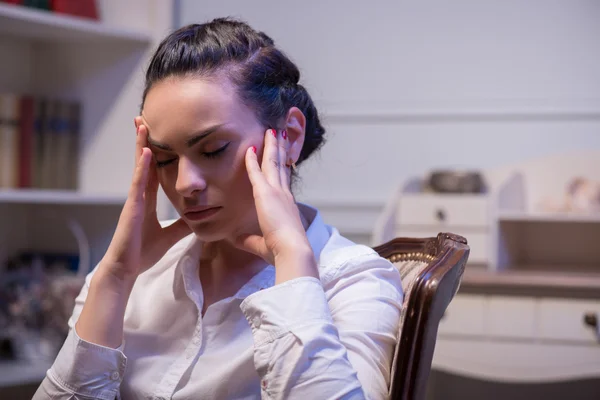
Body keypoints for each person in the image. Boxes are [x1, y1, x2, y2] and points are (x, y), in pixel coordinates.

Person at [33, 18, 403, 400]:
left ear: (289, 137)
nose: (183, 184)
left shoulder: (355, 282)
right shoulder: (132, 275)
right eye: (164, 159)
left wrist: (291, 262)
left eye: (212, 150)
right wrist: (114, 278)